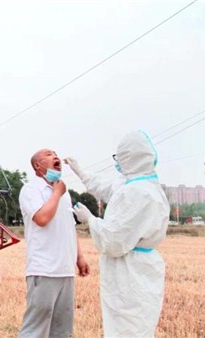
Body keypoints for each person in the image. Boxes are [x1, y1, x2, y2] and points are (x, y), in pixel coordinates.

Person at [65, 130, 170, 338]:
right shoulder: (139, 185)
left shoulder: (138, 193)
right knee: (133, 328)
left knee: (127, 328)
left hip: (129, 272)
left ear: (128, 158)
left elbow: (113, 242)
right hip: (139, 269)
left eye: (118, 157)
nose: (117, 163)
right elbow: (105, 189)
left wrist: (90, 220)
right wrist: (80, 172)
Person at [19, 148, 90, 338]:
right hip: (43, 269)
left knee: (62, 330)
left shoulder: (64, 194)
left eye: (56, 154)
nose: (56, 156)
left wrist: (79, 257)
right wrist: (57, 193)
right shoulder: (30, 190)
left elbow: (69, 227)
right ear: (38, 165)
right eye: (49, 154)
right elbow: (42, 218)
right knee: (35, 329)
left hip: (65, 270)